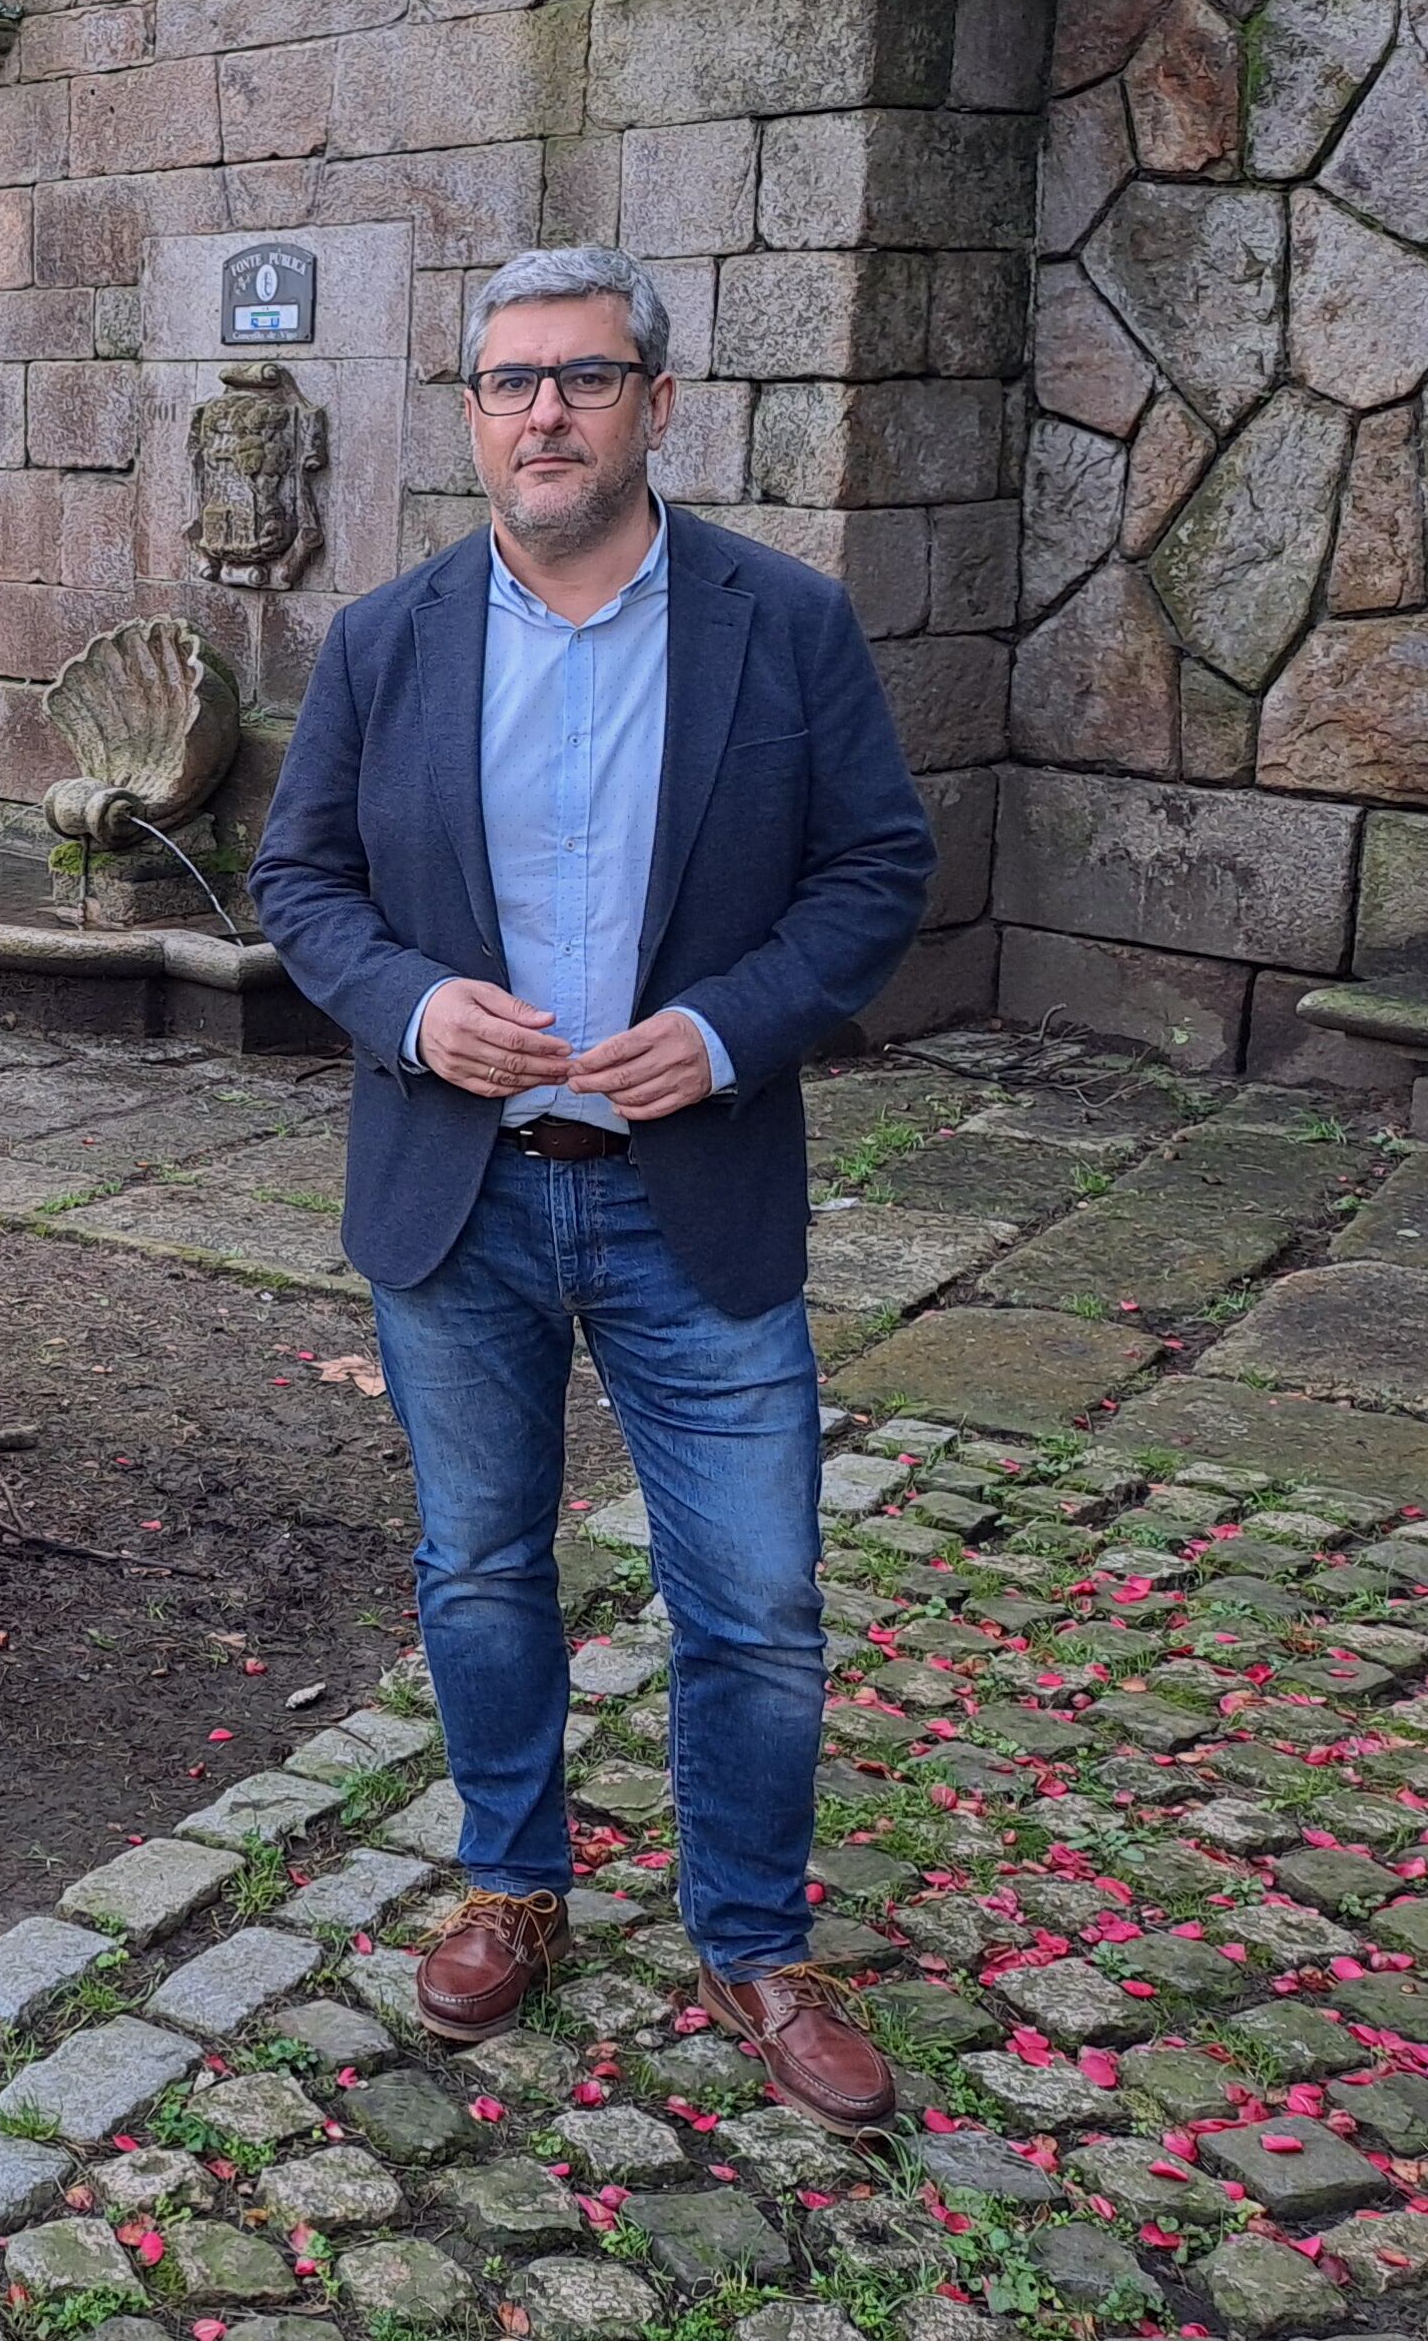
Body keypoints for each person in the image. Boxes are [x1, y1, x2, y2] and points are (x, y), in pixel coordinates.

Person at [249, 244, 935, 2137]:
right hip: (457, 1196)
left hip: (687, 1188)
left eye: (584, 377)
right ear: (472, 416)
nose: (543, 411)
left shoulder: (780, 627)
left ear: (653, 401)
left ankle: (752, 1941)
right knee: (479, 1570)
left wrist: (723, 1032)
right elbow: (298, 881)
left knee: (759, 1599)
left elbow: (876, 873)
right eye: (509, 382)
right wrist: (405, 1010)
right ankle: (515, 1885)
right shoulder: (387, 639)